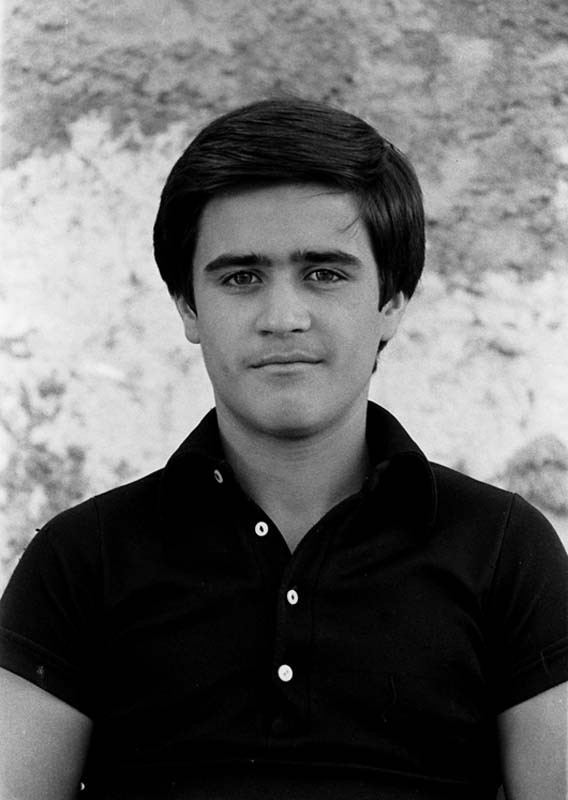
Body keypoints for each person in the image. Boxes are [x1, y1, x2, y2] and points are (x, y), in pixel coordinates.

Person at [0, 98, 566, 800]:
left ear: (392, 301)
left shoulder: (504, 550)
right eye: (241, 277)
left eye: (324, 273)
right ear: (187, 306)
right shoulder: (82, 561)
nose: (283, 317)